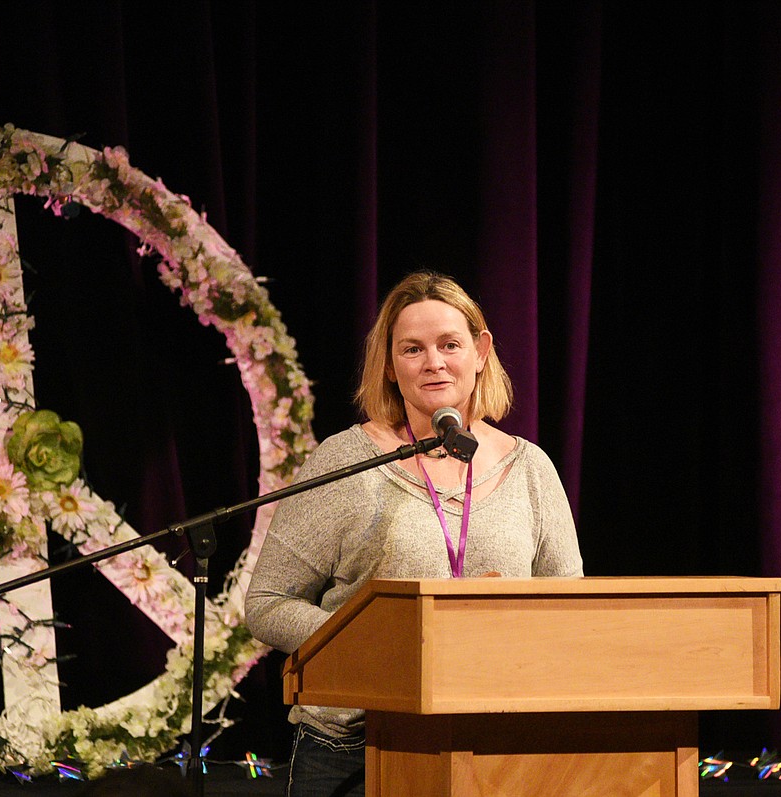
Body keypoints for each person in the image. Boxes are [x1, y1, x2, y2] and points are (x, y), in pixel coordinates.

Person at [244, 271, 584, 797]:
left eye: (450, 345)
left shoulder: (530, 469)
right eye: (412, 349)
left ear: (481, 350)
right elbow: (268, 602)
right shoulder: (346, 461)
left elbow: (569, 612)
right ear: (388, 363)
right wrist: (385, 641)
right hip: (353, 751)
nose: (434, 363)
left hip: (496, 746)